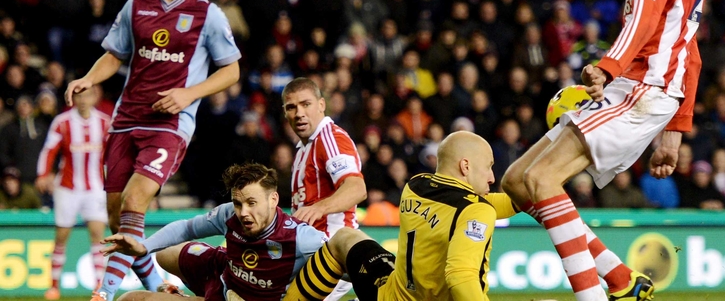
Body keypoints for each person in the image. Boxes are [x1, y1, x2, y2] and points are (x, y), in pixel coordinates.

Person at [501, 0, 704, 300]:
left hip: (640, 89)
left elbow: (645, 19)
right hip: (650, 90)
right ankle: (620, 280)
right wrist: (677, 128)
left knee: (540, 181)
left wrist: (608, 65)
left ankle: (592, 296)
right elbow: (689, 47)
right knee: (517, 179)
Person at [66, 0, 241, 301]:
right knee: (118, 217)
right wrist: (88, 78)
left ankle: (105, 292)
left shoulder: (207, 14)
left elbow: (232, 70)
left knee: (134, 201)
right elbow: (115, 55)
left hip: (170, 125)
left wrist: (188, 94)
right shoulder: (136, 5)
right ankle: (157, 287)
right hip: (126, 119)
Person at [282, 131, 517, 301]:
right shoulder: (477, 210)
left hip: (388, 294)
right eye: (488, 166)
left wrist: (532, 200)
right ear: (465, 166)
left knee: (344, 237)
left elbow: (470, 203)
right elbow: (461, 278)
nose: (491, 178)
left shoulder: (416, 186)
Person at [101, 163, 328, 301]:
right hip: (225, 271)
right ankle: (169, 288)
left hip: (237, 296)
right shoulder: (229, 214)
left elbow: (342, 263)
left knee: (129, 299)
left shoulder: (301, 238)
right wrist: (144, 247)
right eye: (238, 204)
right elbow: (187, 228)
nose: (243, 212)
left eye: (251, 203)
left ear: (273, 199)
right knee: (164, 254)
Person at [283, 77, 366, 300]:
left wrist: (319, 208)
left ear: (321, 105)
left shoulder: (330, 138)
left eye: (306, 104)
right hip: (309, 252)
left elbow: (356, 188)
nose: (299, 113)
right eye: (292, 107)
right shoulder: (303, 148)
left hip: (331, 252)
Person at [35, 88, 111, 300]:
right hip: (67, 188)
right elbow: (49, 149)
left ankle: (98, 288)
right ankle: (53, 286)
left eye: (87, 95)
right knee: (61, 237)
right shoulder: (62, 121)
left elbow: (115, 152)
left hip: (95, 188)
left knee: (98, 236)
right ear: (73, 98)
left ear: (95, 97)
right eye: (79, 96)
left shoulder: (105, 122)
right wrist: (43, 174)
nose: (83, 100)